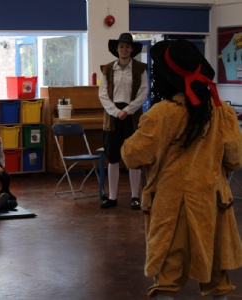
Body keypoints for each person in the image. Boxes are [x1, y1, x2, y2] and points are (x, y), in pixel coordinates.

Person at [121, 39, 242, 300]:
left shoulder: (162, 114)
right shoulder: (222, 112)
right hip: (214, 204)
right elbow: (235, 160)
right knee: (217, 277)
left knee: (167, 278)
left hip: (173, 207)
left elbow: (132, 156)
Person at [98, 32, 148, 210]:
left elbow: (143, 93)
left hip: (132, 117)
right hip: (112, 118)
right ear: (117, 49)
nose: (124, 49)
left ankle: (135, 197)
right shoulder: (107, 69)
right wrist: (116, 112)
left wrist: (127, 110)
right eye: (121, 46)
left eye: (127, 46)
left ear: (132, 49)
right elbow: (102, 94)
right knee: (113, 157)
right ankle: (112, 197)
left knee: (133, 157)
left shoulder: (140, 68)